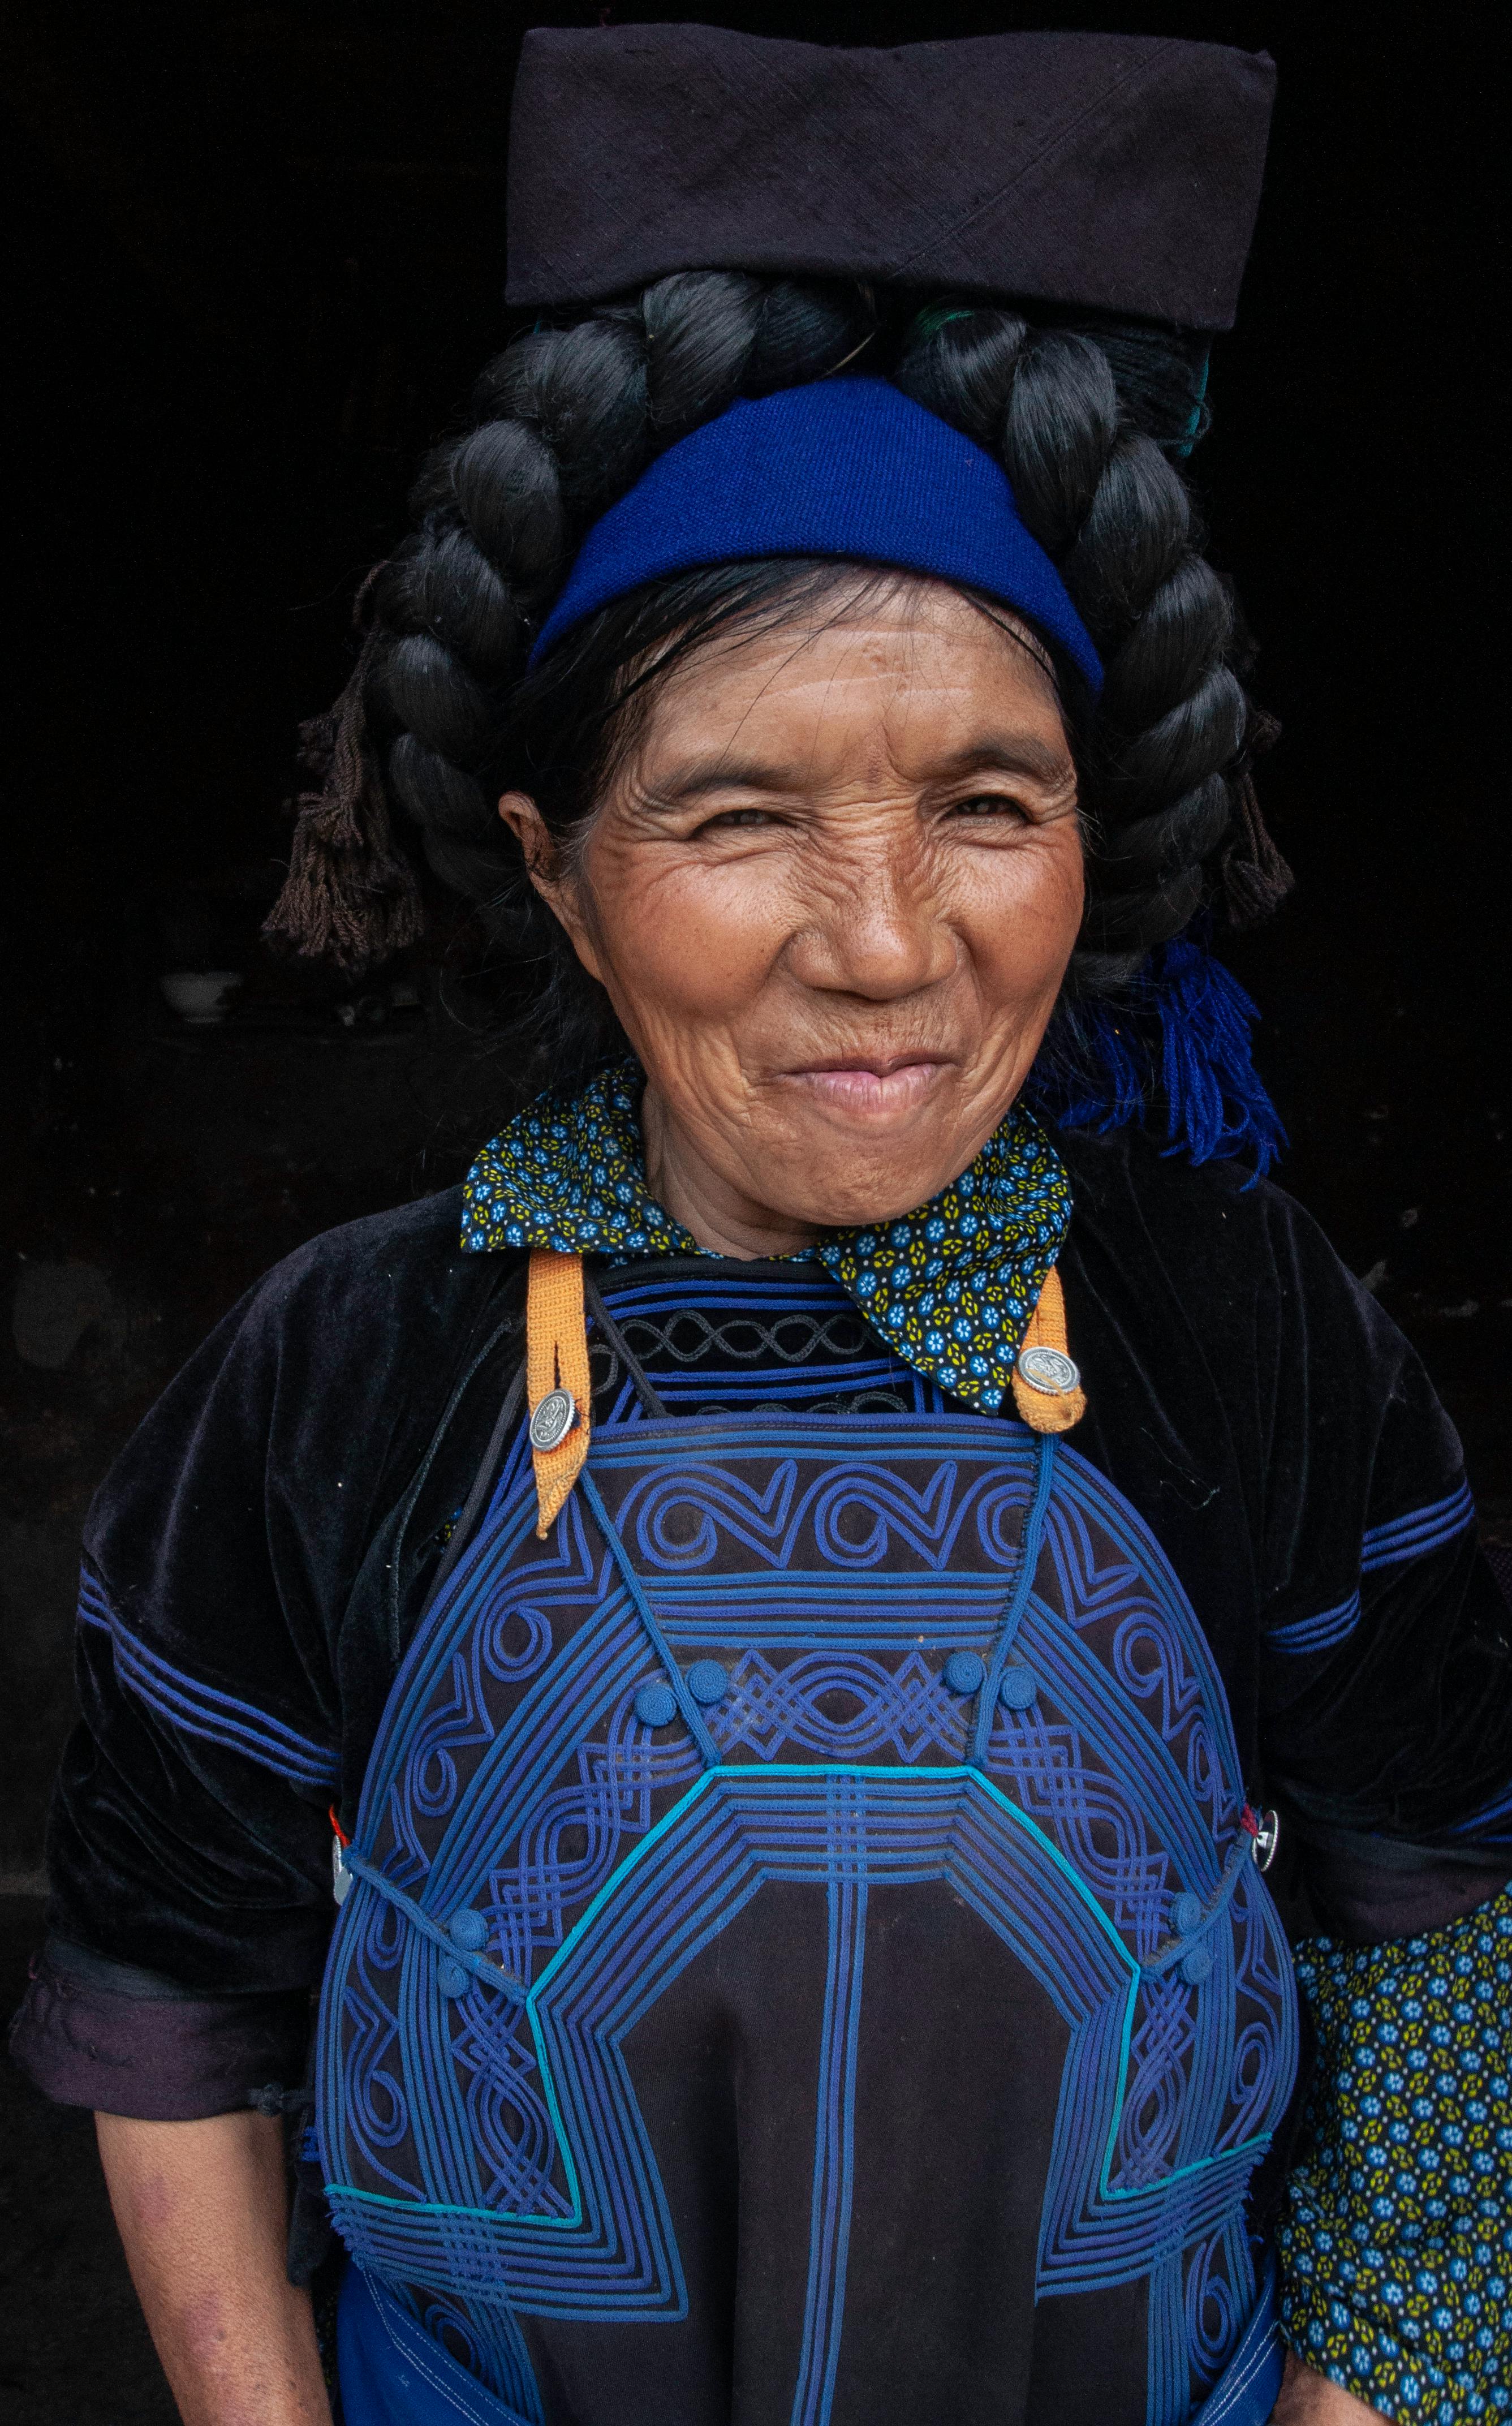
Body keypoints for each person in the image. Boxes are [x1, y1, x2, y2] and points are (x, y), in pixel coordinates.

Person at [11, 25, 1512, 2426]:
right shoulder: (352, 1366)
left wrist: (1371, 2398)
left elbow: (1436, 1911)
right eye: (736, 818)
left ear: (1088, 845)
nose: (888, 942)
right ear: (556, 875)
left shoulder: (1241, 1330)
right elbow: (172, 1988)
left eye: (986, 801)